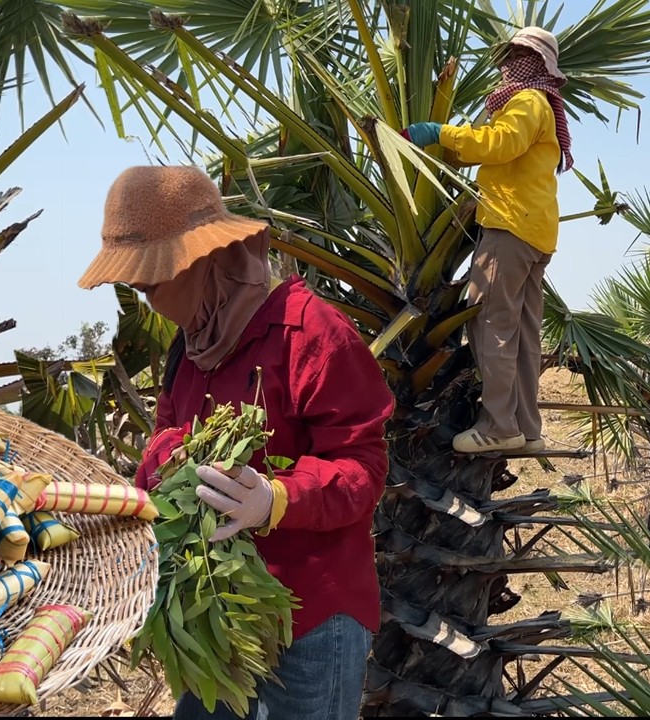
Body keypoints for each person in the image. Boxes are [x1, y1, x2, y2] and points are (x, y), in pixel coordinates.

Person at [78, 165, 394, 720]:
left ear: (205, 261)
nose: (147, 301)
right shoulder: (193, 346)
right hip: (217, 615)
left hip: (312, 613)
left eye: (152, 286)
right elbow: (159, 454)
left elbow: (361, 466)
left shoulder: (312, 334)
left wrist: (276, 498)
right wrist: (164, 469)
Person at [402, 26, 571, 454]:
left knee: (491, 323)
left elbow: (499, 143)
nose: (507, 64)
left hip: (510, 228)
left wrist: (440, 133)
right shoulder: (543, 104)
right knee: (523, 334)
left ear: (535, 64)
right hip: (536, 232)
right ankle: (527, 430)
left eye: (517, 56)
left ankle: (499, 426)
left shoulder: (528, 100)